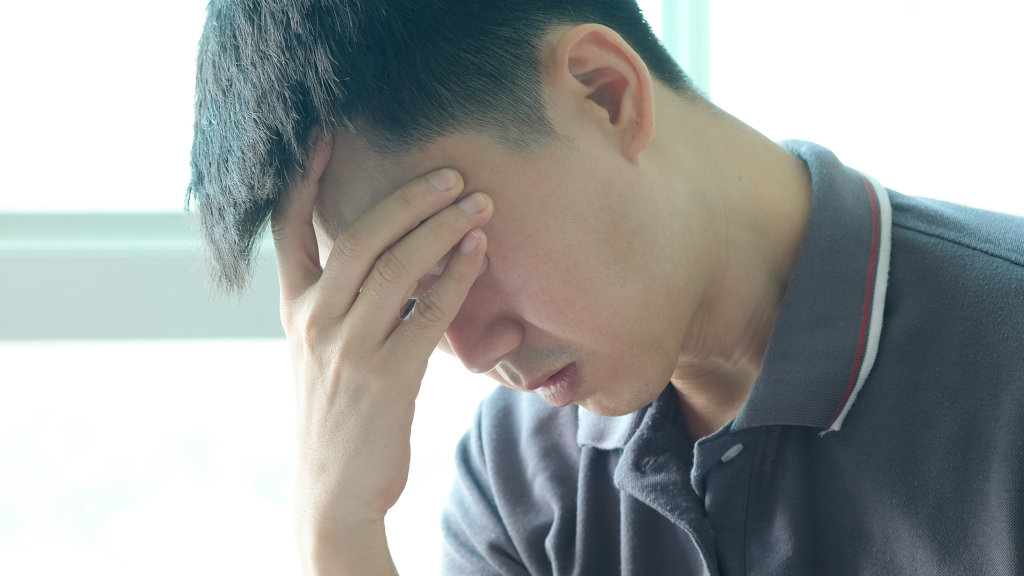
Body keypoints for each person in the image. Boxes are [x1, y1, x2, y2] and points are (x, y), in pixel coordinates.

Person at [188, 1, 1024, 574]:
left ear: (604, 91)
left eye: (442, 254)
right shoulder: (519, 475)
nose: (473, 354)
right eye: (399, 296)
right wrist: (336, 530)